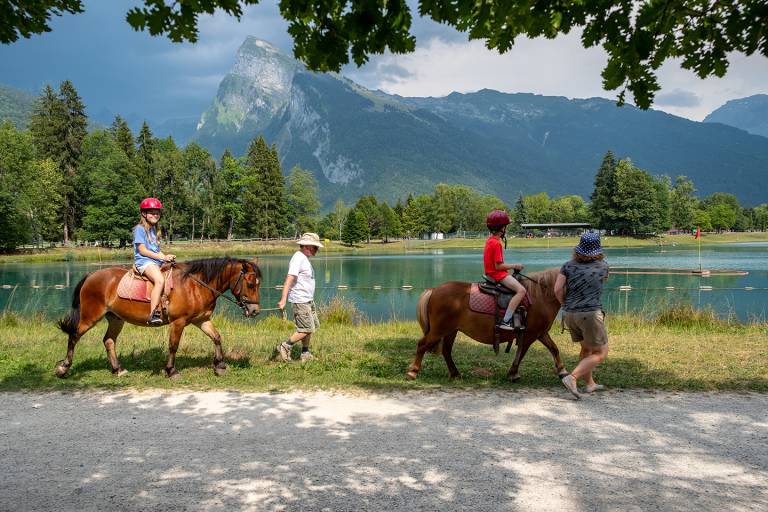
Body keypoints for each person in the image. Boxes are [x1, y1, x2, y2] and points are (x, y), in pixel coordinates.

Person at [554, 232, 610, 399]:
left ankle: (590, 384)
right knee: (601, 352)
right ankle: (572, 378)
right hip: (590, 314)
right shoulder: (603, 266)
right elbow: (602, 281)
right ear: (597, 250)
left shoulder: (567, 266)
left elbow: (557, 289)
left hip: (570, 314)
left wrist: (565, 304)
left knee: (586, 349)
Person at [275, 232, 324, 362]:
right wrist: (283, 299)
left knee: (310, 327)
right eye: (315, 247)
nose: (317, 250)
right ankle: (285, 346)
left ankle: (305, 353)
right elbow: (289, 279)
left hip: (307, 300)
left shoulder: (303, 258)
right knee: (306, 328)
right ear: (307, 246)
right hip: (300, 300)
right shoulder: (298, 258)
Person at [133, 197, 176, 325]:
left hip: (155, 261)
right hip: (144, 262)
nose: (155, 215)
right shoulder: (139, 229)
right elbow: (142, 250)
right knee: (159, 280)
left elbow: (157, 250)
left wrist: (166, 256)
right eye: (151, 213)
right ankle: (152, 314)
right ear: (144, 214)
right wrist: (161, 258)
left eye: (157, 213)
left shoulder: (154, 230)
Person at [483, 209, 527, 330]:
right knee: (521, 290)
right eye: (505, 227)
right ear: (502, 228)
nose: (505, 229)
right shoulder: (497, 244)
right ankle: (506, 321)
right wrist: (515, 266)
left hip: (491, 272)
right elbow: (498, 266)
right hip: (497, 274)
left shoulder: (490, 240)